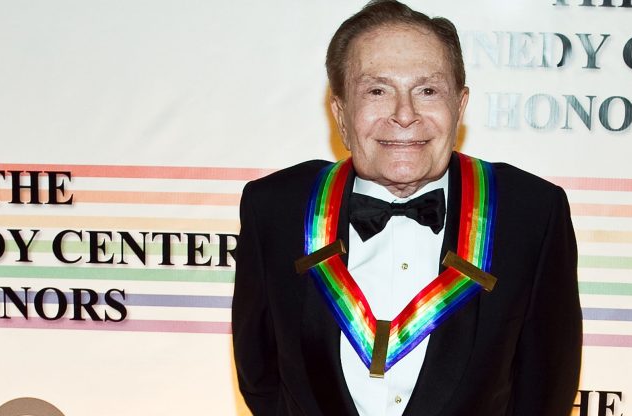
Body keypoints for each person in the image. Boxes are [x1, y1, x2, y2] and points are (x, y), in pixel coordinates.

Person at [232, 1, 582, 415]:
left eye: (427, 91)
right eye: (377, 91)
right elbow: (259, 377)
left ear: (460, 106)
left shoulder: (532, 213)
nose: (404, 114)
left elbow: (545, 389)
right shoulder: (275, 208)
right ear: (341, 113)